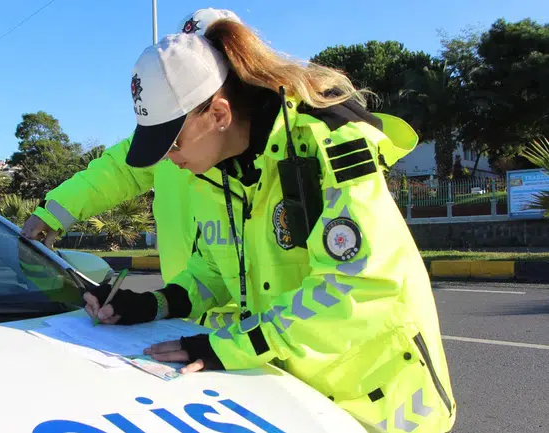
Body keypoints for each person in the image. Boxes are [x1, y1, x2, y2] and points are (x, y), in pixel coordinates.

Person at [82, 20, 456, 433]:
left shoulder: (326, 141)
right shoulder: (212, 175)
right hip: (292, 398)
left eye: (172, 144)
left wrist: (236, 346)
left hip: (382, 406)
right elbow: (212, 272)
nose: (169, 159)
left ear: (219, 114)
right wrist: (150, 305)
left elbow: (360, 283)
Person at [22, 8, 245, 329]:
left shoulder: (275, 147)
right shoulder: (167, 138)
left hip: (254, 331)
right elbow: (118, 170)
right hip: (181, 313)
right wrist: (55, 211)